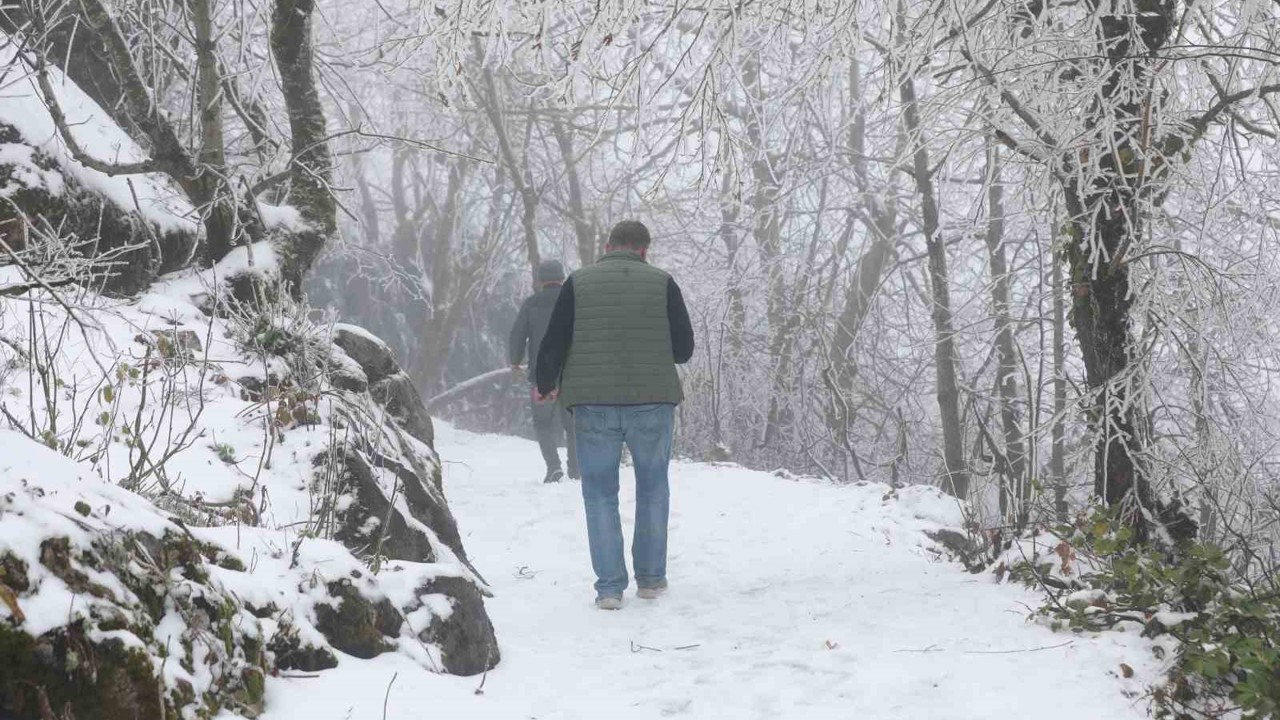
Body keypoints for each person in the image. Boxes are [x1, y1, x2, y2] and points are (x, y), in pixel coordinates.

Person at [535, 220, 694, 610]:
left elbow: (554, 338)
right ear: (644, 250)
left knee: (600, 494)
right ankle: (651, 580)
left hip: (593, 403)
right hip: (653, 402)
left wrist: (546, 380)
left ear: (608, 246)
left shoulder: (578, 282)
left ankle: (609, 589)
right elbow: (684, 349)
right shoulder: (663, 282)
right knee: (653, 489)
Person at [509, 259, 578, 484]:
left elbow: (518, 334)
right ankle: (575, 469)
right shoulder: (574, 301)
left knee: (542, 422)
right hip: (571, 372)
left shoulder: (531, 303)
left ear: (540, 280)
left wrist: (515, 360)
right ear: (562, 277)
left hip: (542, 375)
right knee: (573, 423)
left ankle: (553, 467)